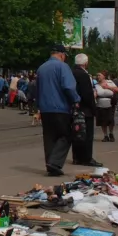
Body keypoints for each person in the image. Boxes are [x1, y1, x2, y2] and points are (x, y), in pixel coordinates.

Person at [35, 44, 80, 177]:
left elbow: (36, 89)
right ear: (62, 54)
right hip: (60, 107)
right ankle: (54, 163)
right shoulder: (62, 67)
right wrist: (76, 100)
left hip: (45, 108)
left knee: (49, 137)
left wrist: (39, 106)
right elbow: (68, 87)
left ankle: (50, 165)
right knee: (66, 135)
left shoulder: (41, 68)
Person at [71, 54, 101, 167]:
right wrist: (94, 109)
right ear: (86, 63)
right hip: (85, 109)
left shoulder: (71, 72)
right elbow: (87, 94)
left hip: (74, 108)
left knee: (76, 133)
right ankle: (87, 158)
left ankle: (76, 157)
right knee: (87, 134)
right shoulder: (83, 75)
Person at [95, 72, 118, 142]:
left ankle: (111, 133)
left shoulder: (110, 82)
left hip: (110, 104)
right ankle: (105, 135)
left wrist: (108, 87)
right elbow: (95, 93)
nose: (98, 77)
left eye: (99, 75)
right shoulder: (96, 85)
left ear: (104, 76)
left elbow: (117, 90)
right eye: (97, 75)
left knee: (110, 120)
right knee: (103, 121)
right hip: (100, 104)